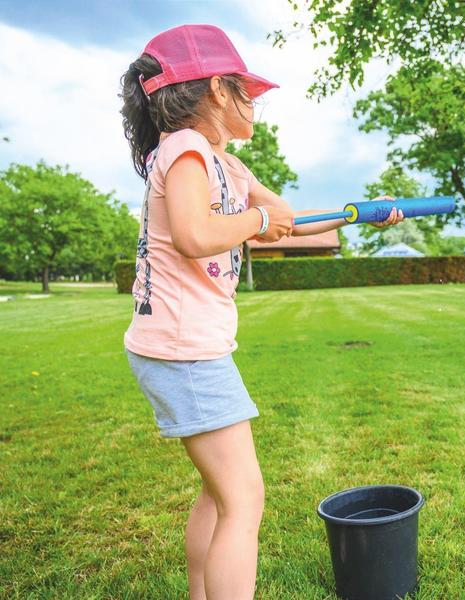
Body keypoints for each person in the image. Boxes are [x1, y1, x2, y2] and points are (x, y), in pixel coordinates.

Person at [119, 24, 404, 600]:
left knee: (219, 494)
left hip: (186, 346)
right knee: (244, 498)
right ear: (218, 91)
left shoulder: (229, 167)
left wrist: (358, 215)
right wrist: (253, 222)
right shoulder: (185, 150)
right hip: (184, 348)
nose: (255, 104)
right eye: (247, 91)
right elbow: (197, 234)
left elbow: (288, 223)